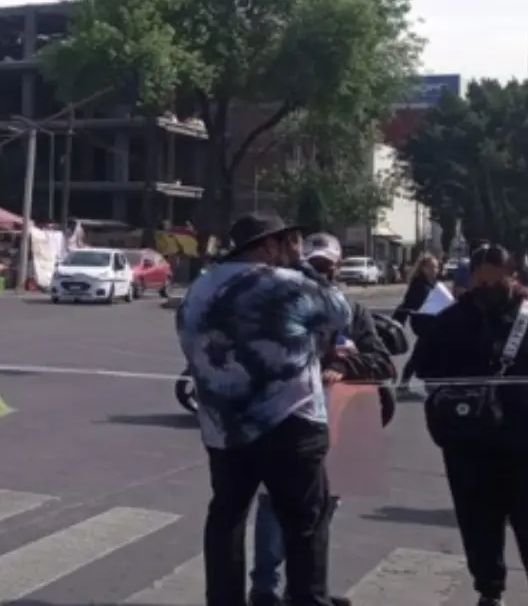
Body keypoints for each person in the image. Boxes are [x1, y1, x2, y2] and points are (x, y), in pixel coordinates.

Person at [176, 214, 352, 606]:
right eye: (287, 241)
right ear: (268, 244)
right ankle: (307, 599)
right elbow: (341, 312)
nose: (293, 248)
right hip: (290, 421)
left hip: (224, 427)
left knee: (227, 517)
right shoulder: (285, 284)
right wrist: (304, 264)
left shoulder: (199, 288)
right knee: (304, 521)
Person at [248, 232, 396, 606]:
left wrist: (343, 366)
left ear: (338, 268)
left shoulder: (351, 311)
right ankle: (264, 588)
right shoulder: (276, 308)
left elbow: (381, 364)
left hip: (338, 420)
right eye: (313, 267)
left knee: (323, 507)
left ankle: (309, 588)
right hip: (285, 417)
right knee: (272, 504)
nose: (320, 275)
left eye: (327, 268)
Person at [414, 244, 528, 606]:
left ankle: (489, 591)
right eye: (483, 281)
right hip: (471, 441)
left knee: (487, 517)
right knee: (478, 519)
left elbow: (426, 370)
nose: (489, 288)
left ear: (512, 276)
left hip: (505, 438)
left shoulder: (453, 317)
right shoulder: (451, 319)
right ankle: (490, 590)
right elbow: (427, 368)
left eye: (495, 280)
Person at [393, 252, 440, 390]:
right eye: (432, 267)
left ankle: (417, 381)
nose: (435, 270)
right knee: (421, 351)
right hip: (423, 322)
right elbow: (411, 303)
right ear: (424, 268)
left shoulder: (429, 283)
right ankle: (420, 381)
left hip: (429, 321)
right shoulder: (419, 284)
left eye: (436, 267)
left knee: (423, 351)